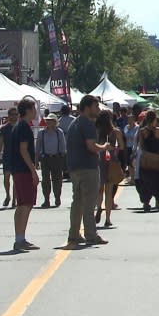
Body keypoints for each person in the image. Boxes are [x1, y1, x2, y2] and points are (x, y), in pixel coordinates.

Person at [66, 94, 109, 247]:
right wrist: (103, 147)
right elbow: (91, 146)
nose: (98, 109)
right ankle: (91, 234)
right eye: (96, 106)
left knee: (77, 202)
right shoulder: (88, 124)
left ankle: (74, 233)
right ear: (87, 107)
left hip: (74, 168)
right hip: (88, 168)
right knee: (89, 203)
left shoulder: (74, 124)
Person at [10, 97, 39, 251]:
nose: (35, 112)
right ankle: (19, 240)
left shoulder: (18, 126)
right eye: (34, 109)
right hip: (23, 170)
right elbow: (23, 150)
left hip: (18, 170)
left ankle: (20, 237)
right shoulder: (24, 127)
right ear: (28, 110)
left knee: (22, 204)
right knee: (26, 204)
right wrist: (33, 171)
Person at [94, 109, 124, 227]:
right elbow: (121, 146)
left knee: (99, 189)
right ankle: (107, 219)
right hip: (111, 159)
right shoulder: (115, 132)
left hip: (99, 159)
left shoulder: (96, 131)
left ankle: (98, 208)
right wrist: (114, 149)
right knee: (109, 190)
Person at [137, 111, 159, 212]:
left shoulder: (142, 131)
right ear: (154, 120)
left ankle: (146, 203)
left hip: (146, 160)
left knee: (146, 182)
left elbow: (141, 146)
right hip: (157, 160)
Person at [35, 113, 66, 208]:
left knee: (57, 180)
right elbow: (37, 147)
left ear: (55, 122)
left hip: (57, 158)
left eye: (51, 121)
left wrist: (63, 159)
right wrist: (36, 161)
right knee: (45, 181)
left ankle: (57, 198)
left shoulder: (59, 132)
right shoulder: (41, 133)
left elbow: (63, 146)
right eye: (47, 120)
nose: (48, 122)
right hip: (45, 158)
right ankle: (46, 199)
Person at [0, 107, 19, 207]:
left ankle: (14, 199)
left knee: (15, 179)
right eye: (12, 114)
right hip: (7, 156)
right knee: (6, 178)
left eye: (15, 114)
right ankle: (8, 195)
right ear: (9, 115)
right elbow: (0, 143)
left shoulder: (20, 127)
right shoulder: (4, 128)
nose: (14, 116)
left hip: (18, 157)